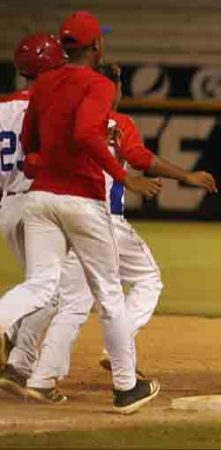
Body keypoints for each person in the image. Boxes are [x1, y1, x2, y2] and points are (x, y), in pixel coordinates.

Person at [4, 63, 217, 404]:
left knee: (68, 301)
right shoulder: (117, 123)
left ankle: (39, 375)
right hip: (99, 220)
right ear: (113, 87)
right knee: (145, 281)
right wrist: (186, 176)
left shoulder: (65, 117)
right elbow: (140, 157)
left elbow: (33, 152)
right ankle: (121, 359)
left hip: (54, 210)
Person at [0, 10, 161, 414]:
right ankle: (126, 388)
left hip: (39, 200)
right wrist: (121, 176)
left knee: (40, 286)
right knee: (108, 293)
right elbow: (87, 133)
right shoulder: (97, 84)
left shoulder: (44, 86)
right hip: (81, 200)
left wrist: (41, 162)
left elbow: (29, 143)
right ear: (97, 46)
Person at [0, 34, 66, 381]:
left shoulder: (0, 110)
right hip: (39, 203)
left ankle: (17, 346)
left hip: (8, 206)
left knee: (38, 286)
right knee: (54, 292)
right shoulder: (50, 105)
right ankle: (18, 355)